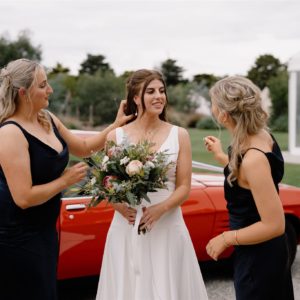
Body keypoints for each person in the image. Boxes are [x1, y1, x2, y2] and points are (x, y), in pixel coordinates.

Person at [0, 58, 132, 300]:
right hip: (15, 239)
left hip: (46, 232)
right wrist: (66, 180)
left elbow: (83, 147)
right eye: (43, 85)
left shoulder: (47, 118)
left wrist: (115, 125)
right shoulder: (10, 133)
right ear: (23, 92)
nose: (49, 89)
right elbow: (23, 197)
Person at [96, 69, 208, 300]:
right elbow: (106, 182)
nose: (159, 96)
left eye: (162, 90)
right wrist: (117, 205)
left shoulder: (180, 135)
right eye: (151, 91)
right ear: (136, 98)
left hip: (167, 225)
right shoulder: (115, 136)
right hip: (126, 226)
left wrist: (159, 210)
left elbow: (184, 187)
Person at [204, 76, 294, 300]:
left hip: (259, 254)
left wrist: (225, 238)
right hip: (259, 248)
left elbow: (274, 224)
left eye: (213, 104)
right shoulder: (262, 136)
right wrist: (220, 156)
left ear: (224, 115)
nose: (212, 109)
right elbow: (246, 179)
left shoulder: (254, 158)